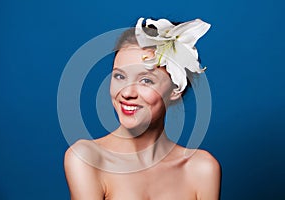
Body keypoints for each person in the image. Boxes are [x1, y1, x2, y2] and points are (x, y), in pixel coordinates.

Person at [64, 17, 221, 200]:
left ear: (175, 89)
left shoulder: (202, 168)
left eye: (146, 80)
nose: (127, 92)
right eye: (120, 76)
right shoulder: (88, 158)